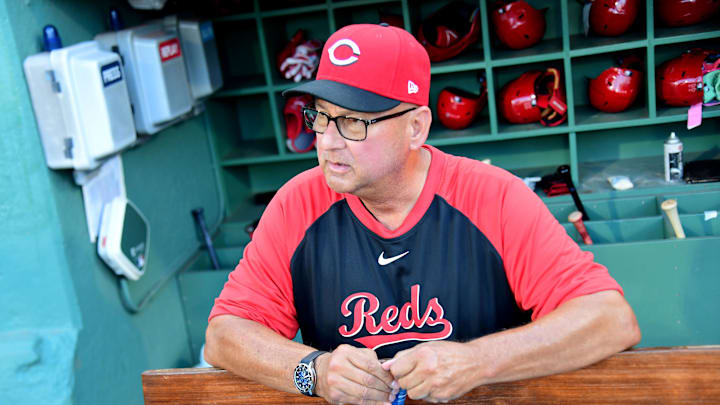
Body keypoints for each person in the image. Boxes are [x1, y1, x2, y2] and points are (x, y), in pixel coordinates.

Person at [204, 23, 641, 405]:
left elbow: (609, 319)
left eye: (354, 122)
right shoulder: (297, 204)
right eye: (323, 117)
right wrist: (313, 372)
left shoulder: (492, 196)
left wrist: (476, 361)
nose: (328, 142)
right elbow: (224, 335)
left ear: (416, 127)